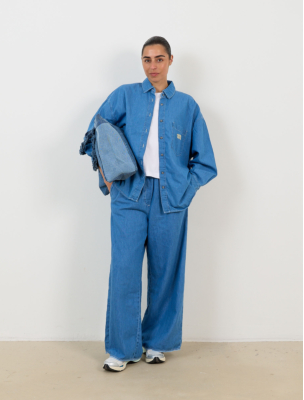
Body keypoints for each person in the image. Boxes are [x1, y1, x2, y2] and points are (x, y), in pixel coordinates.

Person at [83, 36, 217, 372]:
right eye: (147, 59)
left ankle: (157, 343)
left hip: (170, 200)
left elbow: (205, 162)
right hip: (130, 194)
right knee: (124, 271)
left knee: (165, 273)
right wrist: (106, 174)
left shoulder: (188, 106)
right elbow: (95, 131)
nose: (153, 66)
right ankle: (122, 349)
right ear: (141, 63)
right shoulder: (125, 95)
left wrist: (186, 189)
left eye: (159, 59)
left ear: (170, 60)